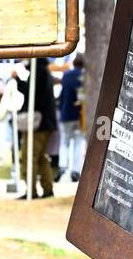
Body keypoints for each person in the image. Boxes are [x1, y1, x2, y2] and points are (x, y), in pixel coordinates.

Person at [17, 62, 57, 199]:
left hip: (37, 123)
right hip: (45, 122)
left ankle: (32, 191)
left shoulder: (38, 71)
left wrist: (18, 81)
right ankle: (47, 189)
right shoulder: (44, 71)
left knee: (29, 157)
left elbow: (30, 93)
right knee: (40, 157)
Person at [59, 53, 86, 182]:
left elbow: (62, 95)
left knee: (64, 141)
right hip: (80, 115)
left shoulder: (66, 75)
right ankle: (75, 171)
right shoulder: (85, 77)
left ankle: (62, 167)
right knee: (78, 142)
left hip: (66, 113)